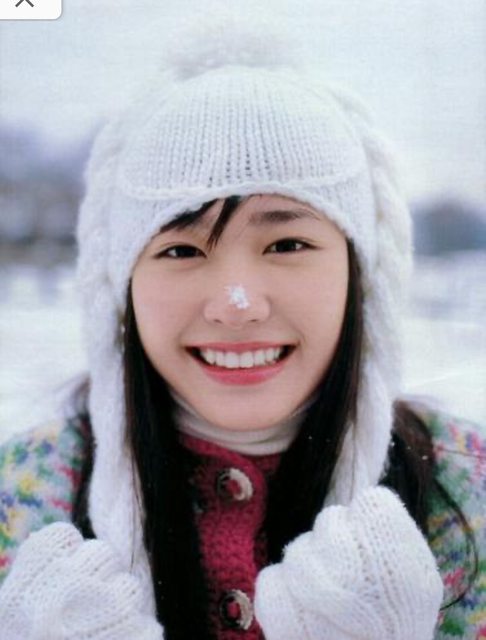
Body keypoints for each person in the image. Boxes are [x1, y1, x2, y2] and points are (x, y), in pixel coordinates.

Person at [0, 14, 484, 640]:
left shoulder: (469, 491)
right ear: (121, 288)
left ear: (360, 275)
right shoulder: (20, 496)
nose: (237, 304)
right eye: (180, 250)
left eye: (287, 244)